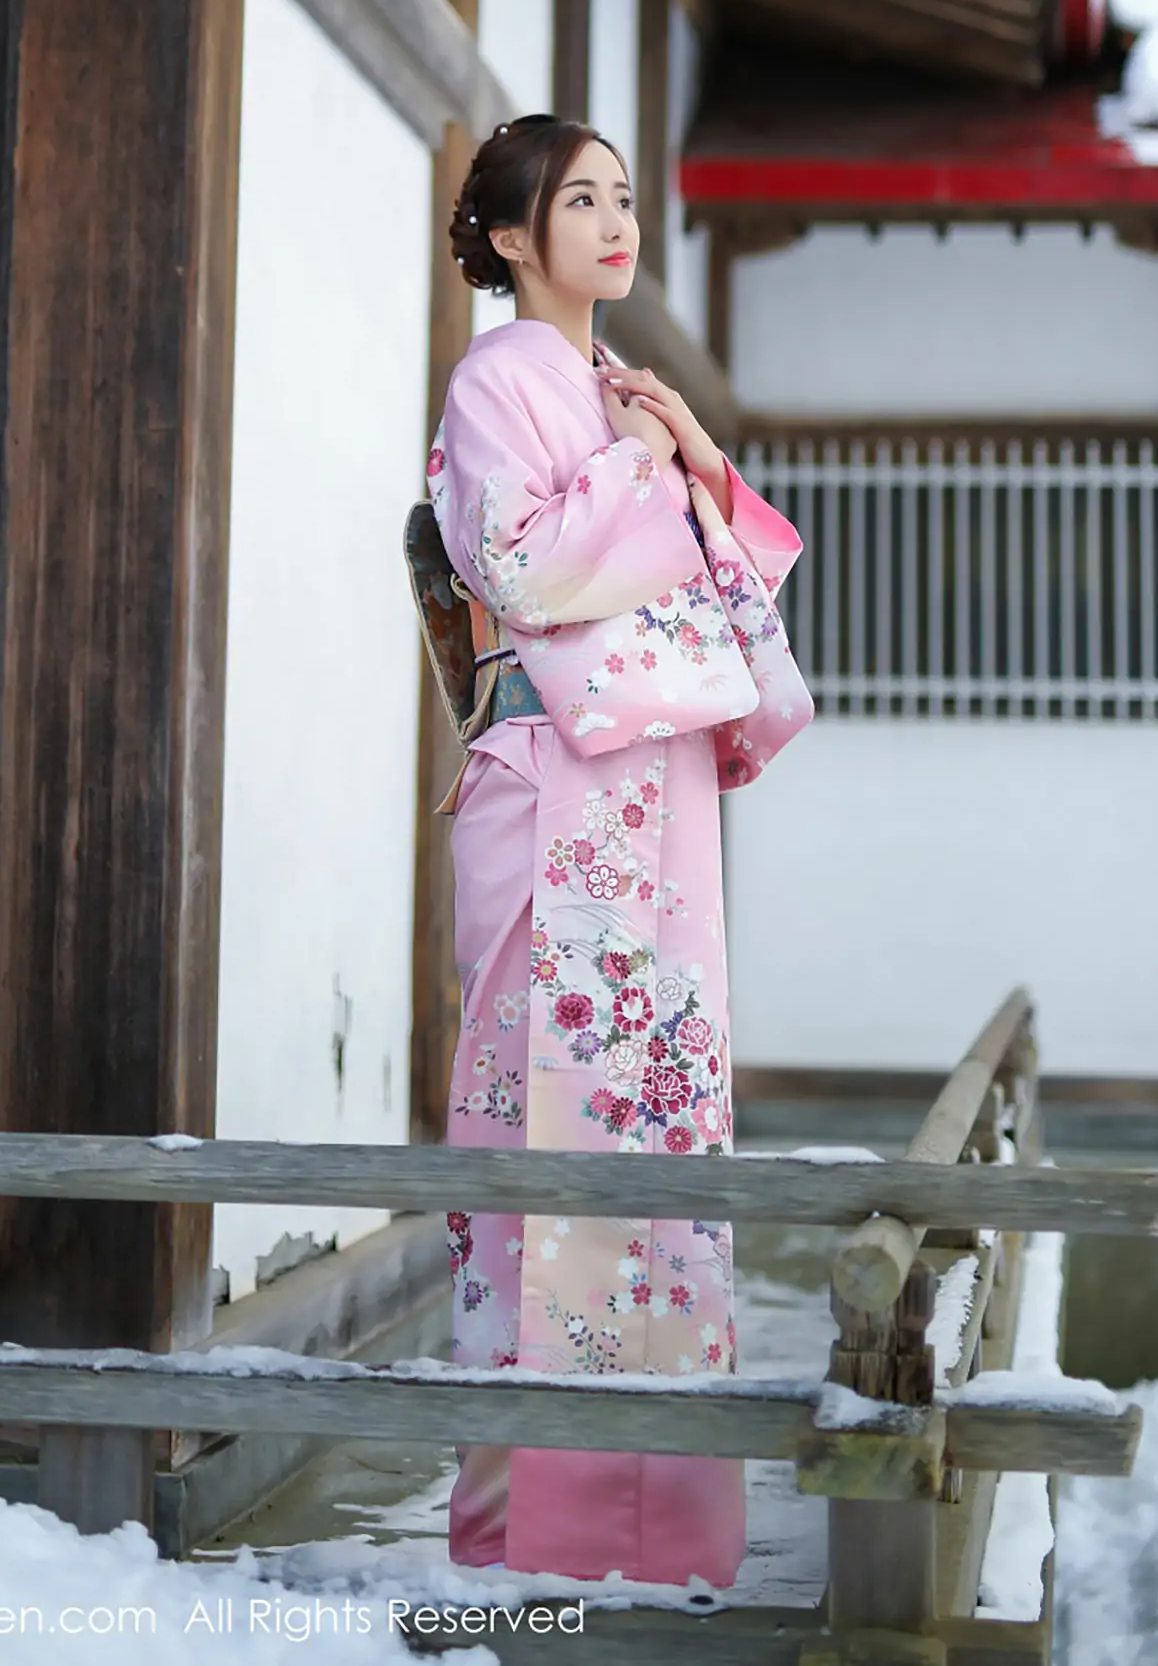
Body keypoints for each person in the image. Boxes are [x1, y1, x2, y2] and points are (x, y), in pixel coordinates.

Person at [427, 113, 813, 1590]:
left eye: (623, 196)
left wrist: (689, 451)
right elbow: (523, 567)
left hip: (659, 788)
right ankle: (529, 1542)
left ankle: (666, 1540)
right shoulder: (498, 380)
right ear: (511, 236)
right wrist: (647, 465)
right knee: (545, 1115)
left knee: (665, 1113)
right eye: (578, 199)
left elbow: (729, 572)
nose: (614, 220)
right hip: (556, 781)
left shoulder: (619, 388)